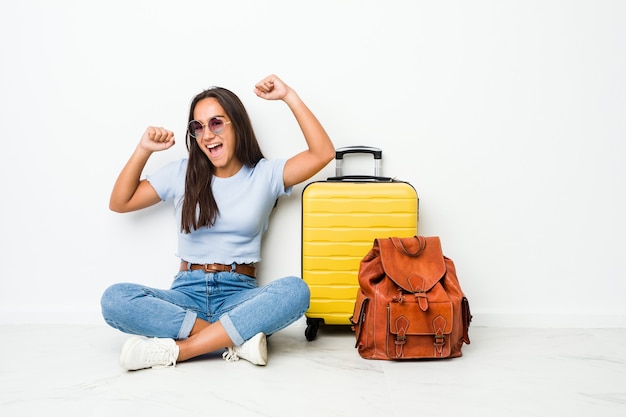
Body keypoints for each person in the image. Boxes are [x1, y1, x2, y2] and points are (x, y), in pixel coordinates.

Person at [101, 74, 335, 371]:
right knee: (115, 299)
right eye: (198, 127)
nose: (207, 134)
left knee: (296, 292)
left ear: (236, 124)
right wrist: (144, 149)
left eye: (216, 123)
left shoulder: (264, 174)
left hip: (239, 296)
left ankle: (180, 351)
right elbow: (120, 202)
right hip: (186, 294)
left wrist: (289, 95)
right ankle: (235, 340)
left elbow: (323, 153)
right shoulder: (181, 173)